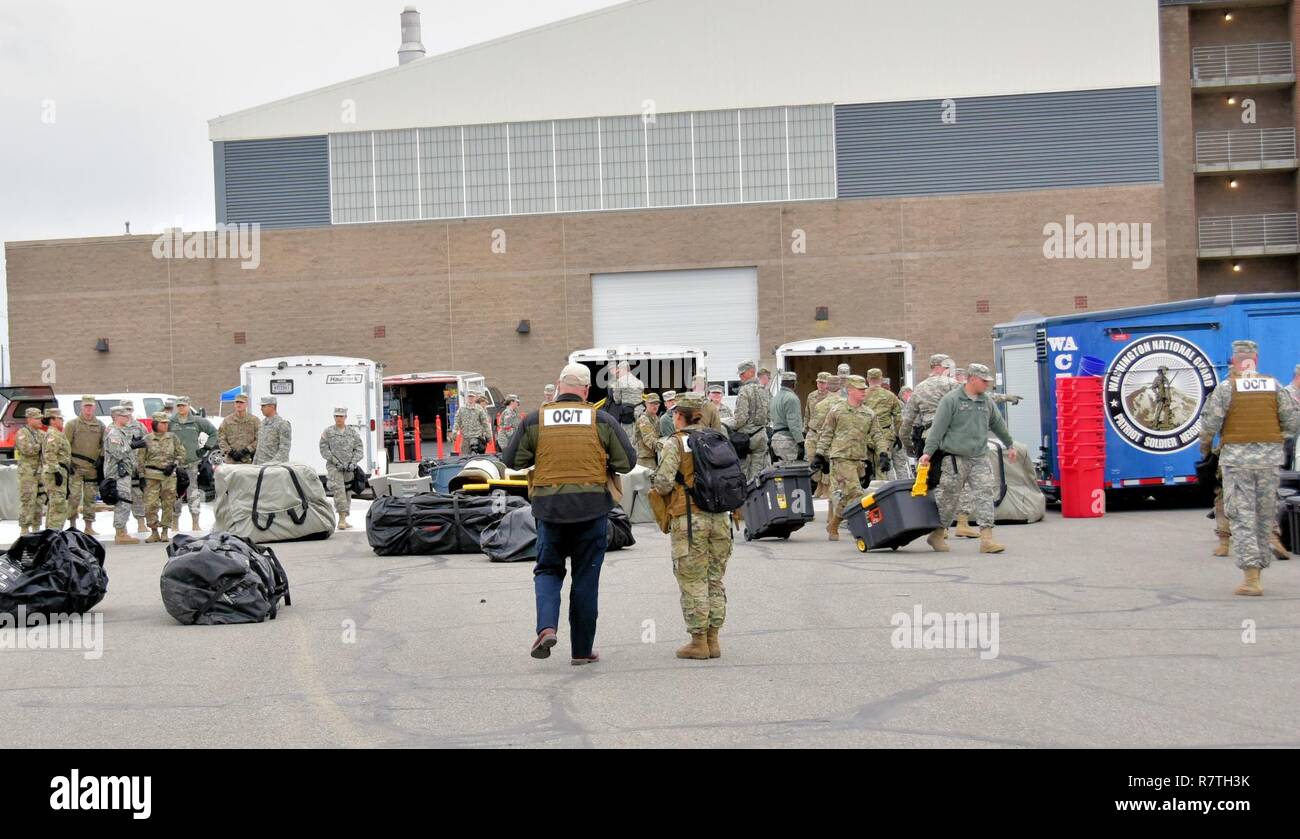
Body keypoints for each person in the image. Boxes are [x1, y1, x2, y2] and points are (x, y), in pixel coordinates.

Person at [503, 363, 635, 665]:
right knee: (586, 579)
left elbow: (512, 461)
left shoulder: (535, 420)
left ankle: (546, 627)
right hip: (591, 511)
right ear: (586, 391)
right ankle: (581, 650)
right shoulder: (601, 420)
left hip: (549, 512)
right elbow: (626, 463)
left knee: (548, 570)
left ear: (558, 386)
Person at [1198, 340, 1300, 596]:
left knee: (1242, 516)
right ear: (1256, 360)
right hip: (1269, 461)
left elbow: (1210, 425)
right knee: (1264, 515)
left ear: (1234, 361)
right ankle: (1261, 565)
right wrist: (1272, 442)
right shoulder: (1274, 386)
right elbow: (1292, 421)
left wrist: (1206, 449)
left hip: (1237, 461)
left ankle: (1251, 578)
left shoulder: (1226, 388)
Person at [651, 392, 732, 660]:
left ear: (678, 416)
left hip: (690, 519)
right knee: (714, 579)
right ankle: (714, 640)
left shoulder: (677, 442)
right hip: (721, 518)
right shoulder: (718, 438)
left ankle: (698, 641)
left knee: (692, 579)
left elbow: (662, 483)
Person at [920, 363, 1016, 554]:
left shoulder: (986, 401)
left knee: (985, 494)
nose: (987, 385)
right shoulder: (951, 400)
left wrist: (1009, 444)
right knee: (949, 499)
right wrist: (927, 453)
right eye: (984, 381)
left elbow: (997, 424)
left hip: (979, 457)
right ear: (972, 379)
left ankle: (987, 539)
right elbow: (937, 429)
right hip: (955, 459)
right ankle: (938, 534)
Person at [814, 375, 889, 540]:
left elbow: (877, 435)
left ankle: (834, 524)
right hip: (840, 458)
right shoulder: (837, 410)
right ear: (850, 390)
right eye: (860, 389)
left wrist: (883, 453)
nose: (864, 392)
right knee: (856, 493)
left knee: (846, 497)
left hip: (859, 460)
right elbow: (826, 434)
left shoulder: (869, 413)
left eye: (864, 389)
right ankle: (866, 530)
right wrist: (819, 455)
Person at [169, 396, 217, 531]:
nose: (181, 408)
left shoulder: (197, 421)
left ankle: (195, 523)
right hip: (176, 464)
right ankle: (174, 523)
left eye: (183, 405)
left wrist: (206, 447)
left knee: (193, 493)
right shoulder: (171, 422)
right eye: (178, 406)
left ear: (189, 405)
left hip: (192, 464)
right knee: (175, 494)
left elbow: (213, 432)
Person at [900, 354, 959, 458]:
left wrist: (908, 446)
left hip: (929, 438)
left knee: (930, 472)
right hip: (952, 437)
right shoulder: (953, 384)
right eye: (946, 368)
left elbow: (907, 421)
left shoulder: (919, 388)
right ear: (937, 368)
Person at [138, 412, 185, 543]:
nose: (165, 425)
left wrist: (174, 464)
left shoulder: (173, 438)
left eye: (166, 423)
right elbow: (140, 458)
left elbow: (181, 453)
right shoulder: (147, 439)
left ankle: (165, 531)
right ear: (155, 424)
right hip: (151, 476)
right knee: (150, 504)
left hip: (168, 476)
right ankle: (154, 531)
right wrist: (141, 476)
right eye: (162, 423)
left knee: (168, 503)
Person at [65, 395, 105, 534]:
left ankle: (89, 526)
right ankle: (72, 525)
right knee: (74, 497)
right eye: (86, 406)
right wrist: (68, 462)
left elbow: (103, 444)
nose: (88, 409)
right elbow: (65, 445)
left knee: (90, 499)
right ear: (81, 407)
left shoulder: (100, 425)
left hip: (91, 469)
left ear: (94, 408)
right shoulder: (72, 424)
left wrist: (101, 458)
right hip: (75, 467)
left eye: (90, 406)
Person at [320, 406, 364, 530]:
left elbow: (359, 448)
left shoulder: (352, 432)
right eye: (337, 416)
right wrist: (336, 462)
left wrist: (353, 462)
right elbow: (324, 449)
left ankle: (345, 516)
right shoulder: (328, 432)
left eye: (341, 416)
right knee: (339, 491)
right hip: (335, 467)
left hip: (348, 467)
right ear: (334, 417)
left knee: (347, 490)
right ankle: (342, 518)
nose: (339, 418)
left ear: (345, 417)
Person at [104, 406, 142, 544]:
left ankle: (122, 531)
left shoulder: (121, 432)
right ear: (116, 417)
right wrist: (131, 446)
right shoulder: (114, 434)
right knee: (123, 501)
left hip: (124, 472)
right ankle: (120, 533)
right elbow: (117, 453)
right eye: (125, 416)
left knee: (125, 500)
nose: (128, 418)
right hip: (117, 474)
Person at [732, 360, 772, 483]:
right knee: (759, 473)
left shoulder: (744, 391)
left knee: (744, 472)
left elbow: (740, 418)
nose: (740, 376)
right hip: (761, 435)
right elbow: (770, 415)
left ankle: (748, 499)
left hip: (747, 438)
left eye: (742, 373)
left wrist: (732, 427)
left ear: (751, 372)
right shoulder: (765, 390)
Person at [805, 375, 844, 498]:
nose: (820, 385)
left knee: (826, 460)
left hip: (826, 434)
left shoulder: (838, 401)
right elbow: (807, 414)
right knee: (816, 460)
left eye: (823, 383)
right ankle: (820, 485)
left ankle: (826, 487)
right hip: (815, 432)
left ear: (827, 385)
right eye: (819, 382)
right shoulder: (812, 396)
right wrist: (805, 430)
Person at [863, 368, 904, 479]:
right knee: (883, 466)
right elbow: (898, 418)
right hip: (885, 435)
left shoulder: (862, 395)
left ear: (868, 379)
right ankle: (883, 493)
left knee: (866, 468)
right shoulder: (890, 396)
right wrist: (899, 435)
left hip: (865, 434)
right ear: (881, 379)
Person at [120, 400, 150, 534]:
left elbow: (147, 444)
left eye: (129, 409)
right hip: (121, 467)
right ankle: (121, 527)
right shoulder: (115, 426)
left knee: (138, 495)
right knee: (122, 496)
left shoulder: (139, 427)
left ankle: (141, 523)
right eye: (124, 409)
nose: (127, 412)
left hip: (136, 466)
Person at [15, 407, 46, 534]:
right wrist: (41, 446)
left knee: (39, 501)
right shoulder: (22, 433)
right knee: (28, 500)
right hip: (27, 473)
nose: (40, 421)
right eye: (37, 418)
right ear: (29, 419)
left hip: (40, 472)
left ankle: (36, 528)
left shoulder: (41, 433)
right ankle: (24, 529)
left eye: (40, 418)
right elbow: (27, 450)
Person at [40, 408, 72, 530]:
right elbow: (50, 454)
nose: (62, 420)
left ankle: (51, 534)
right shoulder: (53, 434)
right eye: (60, 418)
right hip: (55, 473)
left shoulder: (56, 433)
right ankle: (54, 535)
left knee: (54, 505)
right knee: (59, 506)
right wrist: (56, 471)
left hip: (60, 471)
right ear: (52, 420)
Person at [769, 370, 803, 462]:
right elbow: (793, 424)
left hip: (776, 439)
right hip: (787, 440)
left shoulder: (775, 398)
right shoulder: (792, 398)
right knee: (793, 471)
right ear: (793, 383)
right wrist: (801, 442)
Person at [219, 393, 260, 464]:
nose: (239, 404)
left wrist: (247, 450)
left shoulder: (254, 420)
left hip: (248, 460)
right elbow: (221, 438)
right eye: (237, 402)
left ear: (246, 404)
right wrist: (230, 452)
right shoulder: (227, 420)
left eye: (241, 402)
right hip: (231, 460)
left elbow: (259, 438)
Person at [609, 361, 644, 440]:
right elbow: (641, 394)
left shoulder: (619, 382)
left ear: (623, 370)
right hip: (640, 412)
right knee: (640, 436)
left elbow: (617, 400)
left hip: (628, 414)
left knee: (627, 438)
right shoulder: (639, 382)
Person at [254, 396, 292, 464]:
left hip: (274, 469)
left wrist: (271, 465)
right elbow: (259, 448)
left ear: (272, 407)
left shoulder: (282, 424)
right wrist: (254, 465)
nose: (261, 409)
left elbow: (284, 451)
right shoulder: (262, 424)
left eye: (263, 406)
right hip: (260, 468)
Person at [634, 392, 662, 468]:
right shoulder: (643, 419)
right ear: (646, 404)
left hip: (653, 455)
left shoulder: (656, 418)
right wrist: (665, 446)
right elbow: (649, 440)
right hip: (645, 459)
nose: (655, 406)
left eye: (657, 403)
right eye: (652, 403)